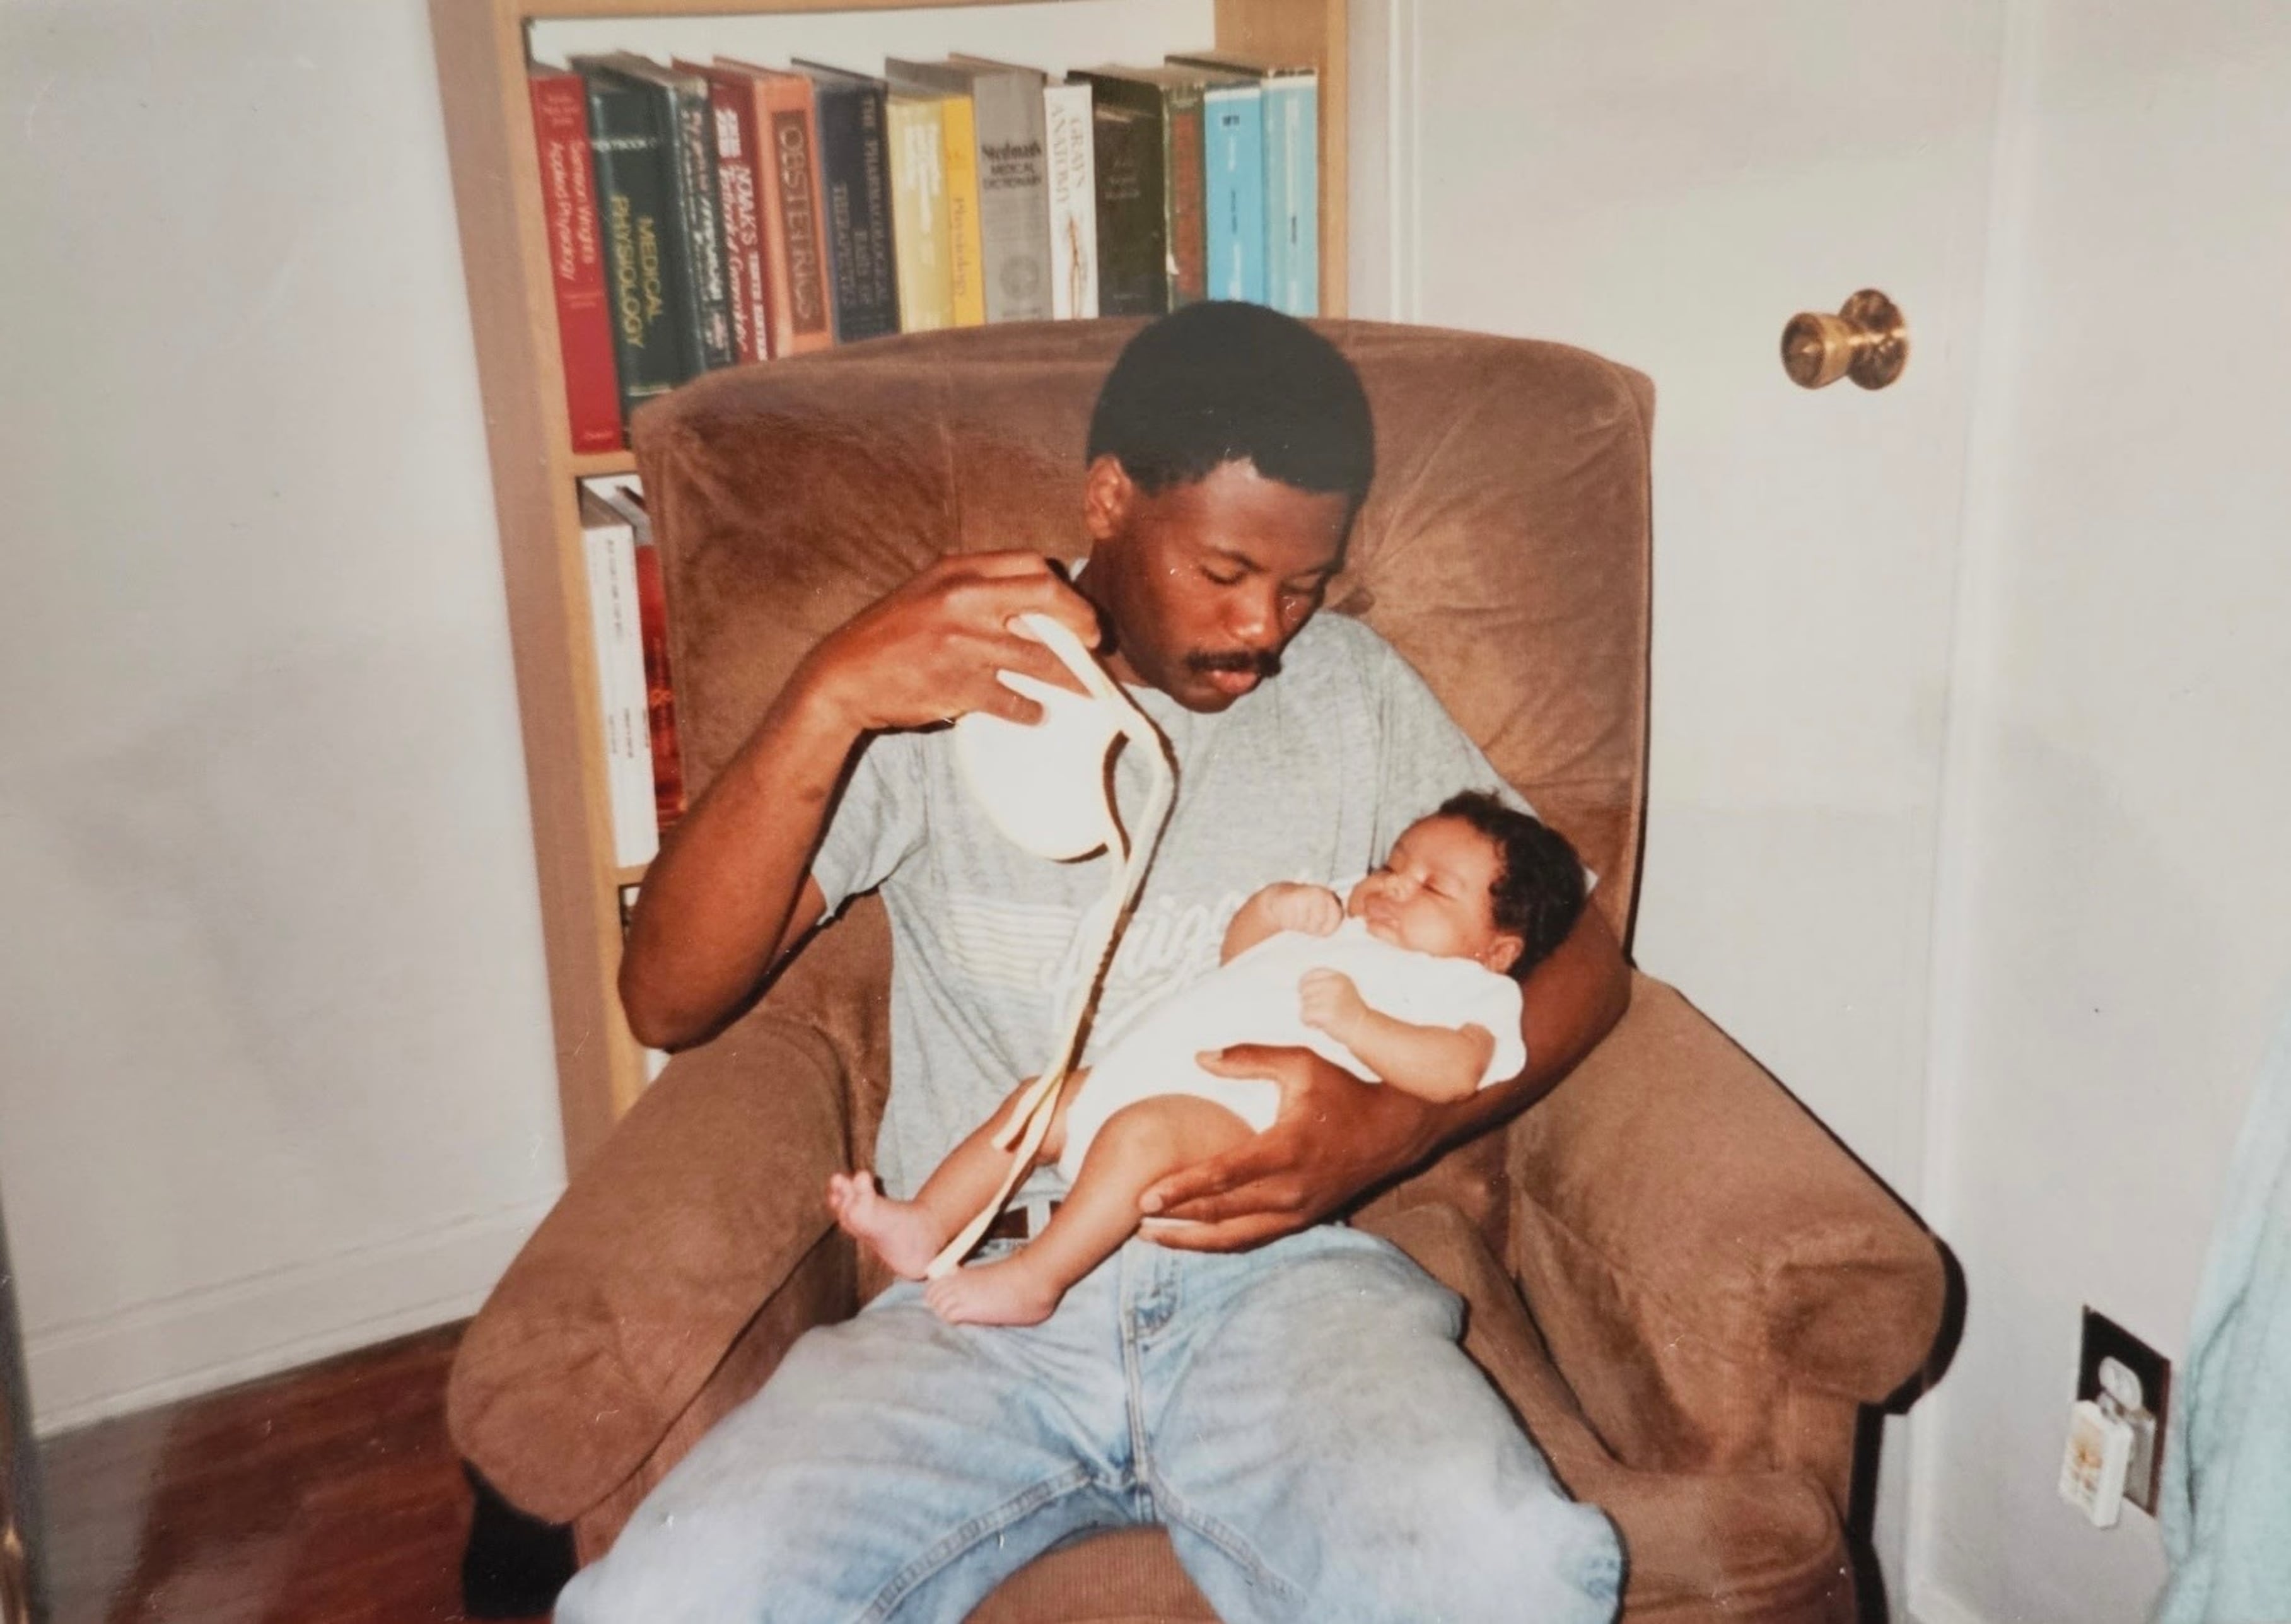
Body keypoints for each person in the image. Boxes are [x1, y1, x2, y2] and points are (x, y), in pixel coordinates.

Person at [564, 302, 1631, 1623]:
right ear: (1112, 500)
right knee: (668, 1601)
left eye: (1302, 586)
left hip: (1278, 1290)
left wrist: (1385, 1130)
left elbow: (1589, 959)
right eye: (1227, 571)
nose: (1264, 634)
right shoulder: (947, 695)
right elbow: (665, 995)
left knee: (1505, 1574)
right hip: (981, 1288)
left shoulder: (1350, 691)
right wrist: (829, 696)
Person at [830, 791, 1591, 1328]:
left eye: (1433, 888)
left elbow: (1455, 1072)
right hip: (1157, 1072)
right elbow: (1239, 958)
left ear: (1498, 950)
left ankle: (1038, 1277)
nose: (1393, 886)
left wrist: (1361, 1026)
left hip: (1240, 1115)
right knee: (1040, 1099)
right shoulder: (1341, 913)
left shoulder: (1466, 987)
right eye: (1394, 862)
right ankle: (929, 1220)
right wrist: (1273, 910)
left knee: (1138, 1138)